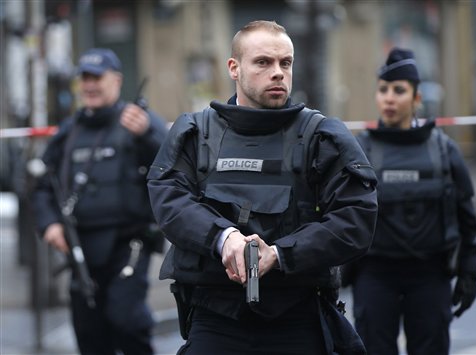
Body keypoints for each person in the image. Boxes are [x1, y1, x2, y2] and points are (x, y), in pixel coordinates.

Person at [147, 20, 378, 355]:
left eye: (285, 63)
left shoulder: (321, 137)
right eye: (263, 62)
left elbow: (356, 219)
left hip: (297, 317)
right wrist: (222, 239)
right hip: (215, 318)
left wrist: (281, 254)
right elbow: (169, 200)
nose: (278, 73)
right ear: (234, 68)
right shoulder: (195, 134)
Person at [344, 48, 476, 355]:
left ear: (417, 98)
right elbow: (343, 216)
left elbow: (466, 218)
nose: (389, 98)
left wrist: (469, 272)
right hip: (375, 274)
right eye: (383, 90)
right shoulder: (359, 151)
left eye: (399, 90)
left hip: (429, 275)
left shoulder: (443, 150)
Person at [33, 48, 168, 355]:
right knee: (88, 330)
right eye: (84, 78)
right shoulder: (69, 131)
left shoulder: (139, 121)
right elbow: (42, 185)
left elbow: (172, 164)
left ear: (117, 80)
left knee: (127, 319)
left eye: (97, 77)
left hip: (128, 243)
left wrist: (147, 133)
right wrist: (50, 224)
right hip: (81, 248)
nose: (90, 85)